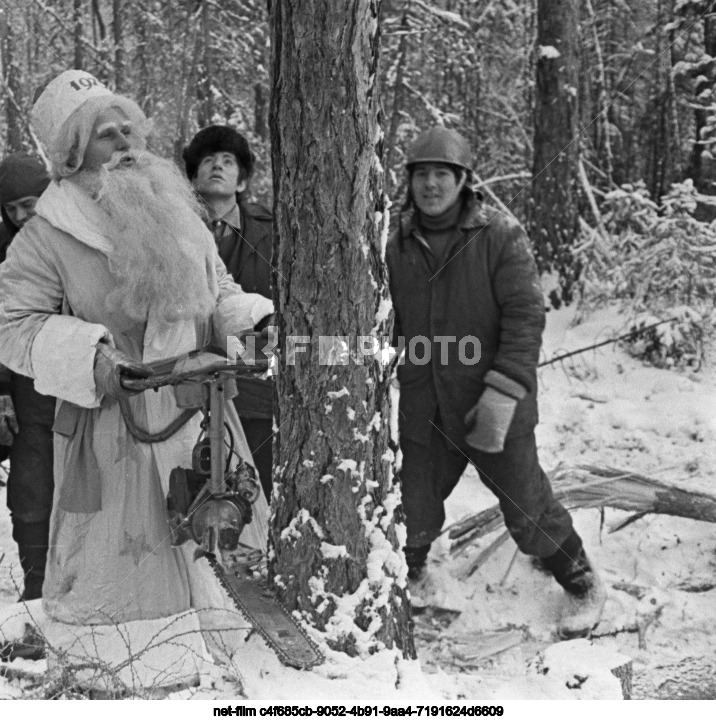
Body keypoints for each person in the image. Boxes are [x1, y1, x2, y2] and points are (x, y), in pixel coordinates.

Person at [0, 70, 274, 687]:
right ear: (72, 154)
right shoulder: (48, 232)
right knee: (125, 584)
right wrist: (93, 359)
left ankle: (225, 672)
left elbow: (218, 292)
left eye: (129, 127)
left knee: (220, 552)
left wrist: (248, 322)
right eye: (106, 134)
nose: (126, 142)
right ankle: (133, 683)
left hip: (200, 415)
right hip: (110, 431)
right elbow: (11, 323)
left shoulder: (176, 209)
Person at [386, 126, 606, 638]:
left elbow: (526, 316)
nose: (431, 185)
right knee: (412, 506)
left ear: (463, 180)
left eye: (443, 174)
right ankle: (412, 577)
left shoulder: (499, 235)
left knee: (528, 507)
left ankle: (581, 581)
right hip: (425, 404)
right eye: (421, 174)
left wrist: (503, 391)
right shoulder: (396, 243)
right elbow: (389, 323)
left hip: (492, 403)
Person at [183, 126, 275, 501]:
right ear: (191, 178)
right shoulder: (172, 232)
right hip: (189, 386)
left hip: (256, 386)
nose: (217, 167)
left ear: (242, 180)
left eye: (228, 161)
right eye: (207, 161)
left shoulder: (276, 231)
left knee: (258, 492)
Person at [0, 153, 54, 601]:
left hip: (81, 385)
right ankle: (36, 581)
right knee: (31, 483)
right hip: (25, 391)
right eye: (10, 208)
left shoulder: (70, 238)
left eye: (28, 203)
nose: (20, 216)